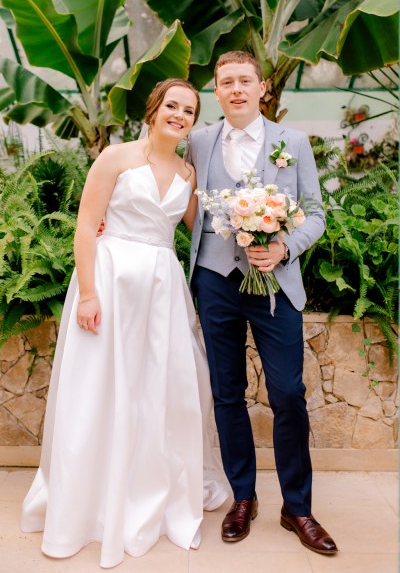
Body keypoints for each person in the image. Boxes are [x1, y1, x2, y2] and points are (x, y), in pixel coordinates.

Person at [21, 78, 229, 569]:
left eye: (189, 110)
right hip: (111, 284)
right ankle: (88, 503)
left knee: (163, 391)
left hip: (162, 290)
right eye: (172, 106)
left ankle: (149, 492)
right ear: (154, 108)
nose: (179, 115)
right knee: (99, 390)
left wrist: (260, 220)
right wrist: (89, 294)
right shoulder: (115, 158)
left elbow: (208, 231)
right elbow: (85, 226)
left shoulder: (188, 174)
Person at [189, 51, 338, 555]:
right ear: (216, 91)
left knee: (288, 394)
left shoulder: (291, 142)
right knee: (226, 393)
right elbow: (161, 176)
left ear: (261, 89)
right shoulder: (199, 140)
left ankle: (297, 507)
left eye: (244, 81)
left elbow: (315, 212)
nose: (235, 89)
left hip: (275, 284)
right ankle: (242, 497)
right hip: (214, 279)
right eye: (225, 81)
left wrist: (284, 246)